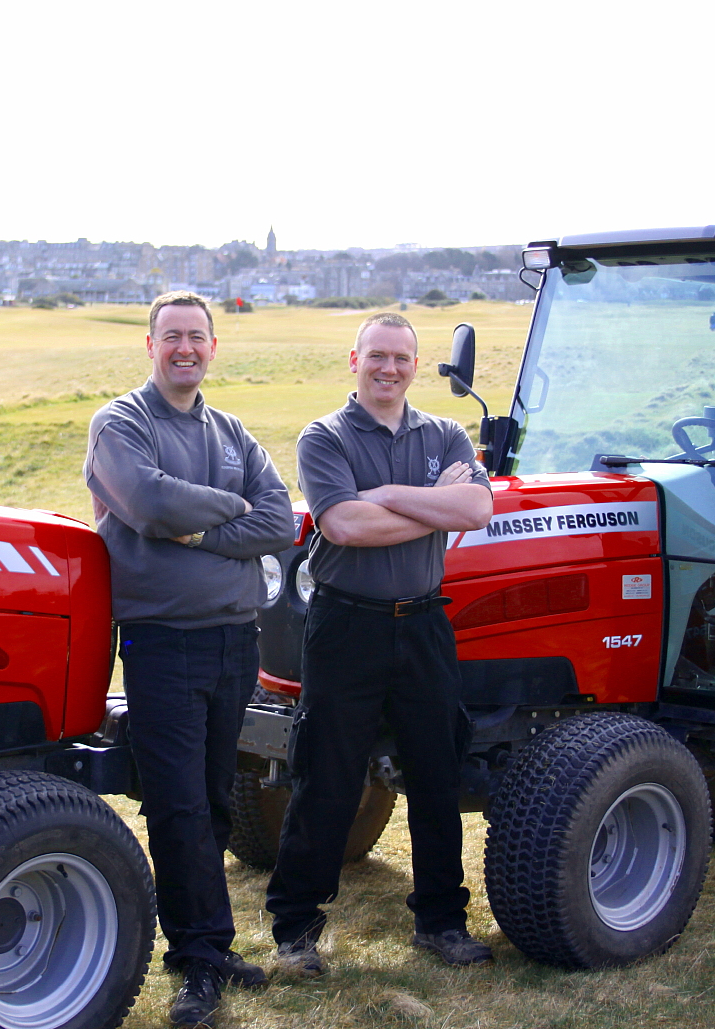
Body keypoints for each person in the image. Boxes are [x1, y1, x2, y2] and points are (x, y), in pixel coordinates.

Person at [84, 289, 294, 1027]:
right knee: (174, 806)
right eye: (171, 336)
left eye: (196, 337)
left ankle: (205, 941)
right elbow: (148, 502)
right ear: (150, 345)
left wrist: (205, 528)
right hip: (161, 642)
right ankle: (197, 960)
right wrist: (228, 509)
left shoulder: (231, 429)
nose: (185, 349)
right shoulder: (120, 423)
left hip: (236, 640)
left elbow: (280, 518)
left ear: (212, 346)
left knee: (210, 799)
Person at [266, 312, 494, 976]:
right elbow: (342, 524)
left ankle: (441, 922)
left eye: (401, 357)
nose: (389, 367)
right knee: (328, 777)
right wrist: (430, 502)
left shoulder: (445, 433)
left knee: (435, 773)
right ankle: (296, 928)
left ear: (416, 366)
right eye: (377, 356)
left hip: (424, 624)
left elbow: (477, 510)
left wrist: (390, 493)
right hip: (346, 627)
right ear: (354, 361)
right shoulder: (325, 436)